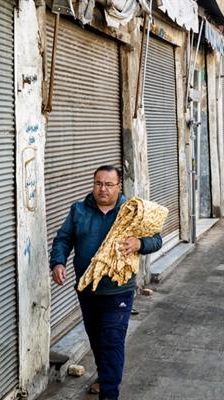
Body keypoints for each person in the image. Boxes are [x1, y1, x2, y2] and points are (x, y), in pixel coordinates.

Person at [50, 165, 162, 400]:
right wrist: (58, 263)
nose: (103, 189)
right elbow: (63, 239)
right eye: (98, 183)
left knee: (112, 340)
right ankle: (104, 376)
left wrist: (139, 244)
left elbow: (157, 239)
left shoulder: (132, 211)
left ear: (118, 186)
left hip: (118, 291)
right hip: (87, 290)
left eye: (109, 184)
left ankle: (109, 394)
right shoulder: (78, 210)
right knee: (97, 339)